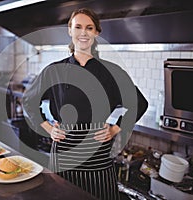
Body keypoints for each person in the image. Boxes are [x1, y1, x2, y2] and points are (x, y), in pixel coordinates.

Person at [23, 8, 148, 200]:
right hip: (64, 154)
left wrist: (116, 128)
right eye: (78, 27)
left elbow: (139, 102)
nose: (83, 33)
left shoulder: (111, 72)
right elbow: (29, 102)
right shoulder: (54, 71)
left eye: (89, 28)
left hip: (98, 157)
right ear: (70, 31)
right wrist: (48, 129)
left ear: (96, 33)